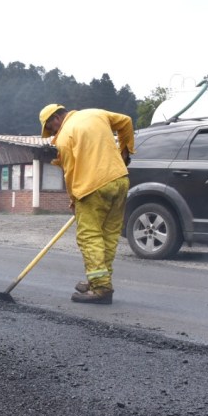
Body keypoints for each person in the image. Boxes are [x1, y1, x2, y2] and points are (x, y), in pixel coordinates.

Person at [39, 104, 135, 304]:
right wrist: (124, 152)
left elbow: (70, 173)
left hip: (93, 188)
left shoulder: (65, 138)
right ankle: (100, 280)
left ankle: (100, 288)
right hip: (120, 180)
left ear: (56, 118)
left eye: (51, 128)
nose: (53, 133)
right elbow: (126, 121)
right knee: (108, 235)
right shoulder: (95, 113)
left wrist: (73, 199)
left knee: (89, 236)